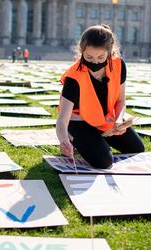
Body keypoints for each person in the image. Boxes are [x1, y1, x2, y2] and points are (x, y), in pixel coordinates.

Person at [56, 24, 145, 169]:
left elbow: (121, 100)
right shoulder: (74, 77)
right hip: (80, 123)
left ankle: (101, 136)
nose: (95, 62)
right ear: (81, 51)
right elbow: (62, 119)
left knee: (136, 148)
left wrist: (118, 120)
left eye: (101, 57)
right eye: (89, 57)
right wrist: (63, 140)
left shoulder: (119, 65)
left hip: (106, 120)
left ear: (110, 52)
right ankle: (76, 138)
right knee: (103, 162)